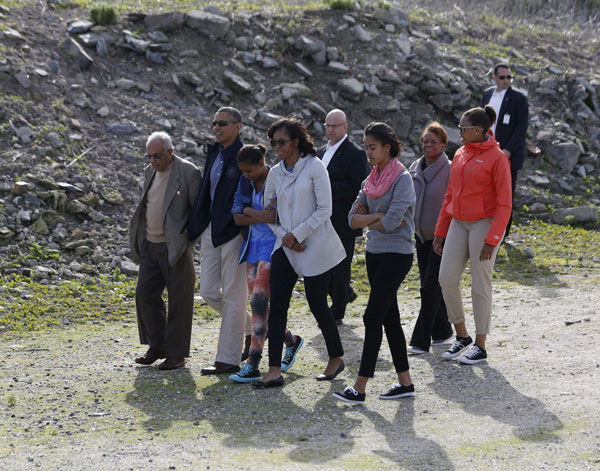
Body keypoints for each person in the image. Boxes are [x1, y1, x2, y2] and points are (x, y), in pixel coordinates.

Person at [254, 118, 346, 389]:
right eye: (273, 142)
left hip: (315, 245)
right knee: (277, 305)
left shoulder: (315, 167)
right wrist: (286, 237)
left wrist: (299, 234)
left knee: (317, 303)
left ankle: (336, 357)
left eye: (281, 141)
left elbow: (325, 209)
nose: (277, 147)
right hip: (284, 245)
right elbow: (270, 211)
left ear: (296, 141)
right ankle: (273, 369)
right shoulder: (275, 173)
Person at [333, 122, 416, 404]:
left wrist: (368, 217)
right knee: (390, 318)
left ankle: (359, 387)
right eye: (366, 147)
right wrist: (373, 219)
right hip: (374, 253)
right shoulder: (369, 181)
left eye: (372, 147)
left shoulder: (403, 179)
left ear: (387, 148)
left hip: (398, 255)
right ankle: (405, 383)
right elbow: (351, 219)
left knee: (372, 317)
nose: (368, 152)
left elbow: (394, 223)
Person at [433, 106, 512, 365]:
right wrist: (440, 231)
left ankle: (480, 344)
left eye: (463, 129)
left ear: (478, 131)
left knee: (480, 284)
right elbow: (450, 195)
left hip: (484, 224)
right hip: (458, 222)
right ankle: (462, 336)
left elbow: (505, 204)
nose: (459, 132)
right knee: (446, 278)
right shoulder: (459, 153)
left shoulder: (497, 158)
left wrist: (493, 238)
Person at [229, 144, 304, 383]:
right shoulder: (244, 182)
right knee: (260, 307)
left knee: (259, 304)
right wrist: (258, 213)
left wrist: (251, 211)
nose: (246, 175)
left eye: (250, 171)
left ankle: (253, 363)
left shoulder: (277, 179)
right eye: (243, 172)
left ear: (262, 164)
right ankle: (291, 340)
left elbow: (279, 216)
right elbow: (237, 216)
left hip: (273, 249)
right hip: (251, 249)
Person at [188, 107, 252, 375]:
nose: (216, 127)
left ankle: (228, 360)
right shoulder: (213, 151)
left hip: (235, 231)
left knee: (235, 295)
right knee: (209, 291)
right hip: (211, 229)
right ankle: (260, 326)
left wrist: (241, 224)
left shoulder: (245, 155)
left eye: (222, 123)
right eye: (214, 122)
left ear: (237, 127)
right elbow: (206, 192)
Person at [130, 132, 202, 370]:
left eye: (157, 156)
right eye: (149, 156)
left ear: (171, 152)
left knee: (180, 300)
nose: (153, 161)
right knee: (144, 294)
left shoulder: (189, 172)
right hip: (150, 244)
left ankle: (177, 353)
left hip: (176, 247)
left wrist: (186, 242)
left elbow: (198, 212)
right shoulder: (149, 171)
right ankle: (157, 345)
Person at [317, 109, 369, 325]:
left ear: (345, 126)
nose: (330, 129)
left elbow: (357, 185)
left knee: (341, 265)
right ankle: (343, 293)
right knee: (321, 263)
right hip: (321, 218)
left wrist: (324, 187)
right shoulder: (320, 151)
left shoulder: (355, 153)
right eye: (328, 125)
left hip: (342, 218)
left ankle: (337, 311)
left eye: (335, 125)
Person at [407, 122, 453, 355]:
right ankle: (443, 330)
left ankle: (420, 340)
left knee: (429, 286)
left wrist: (445, 234)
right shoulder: (415, 166)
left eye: (433, 142)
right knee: (431, 284)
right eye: (425, 141)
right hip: (420, 236)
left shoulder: (451, 169)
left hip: (442, 237)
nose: (428, 145)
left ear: (443, 145)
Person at [480, 63, 528, 237]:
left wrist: (508, 150)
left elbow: (521, 128)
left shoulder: (519, 99)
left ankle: (503, 232)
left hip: (508, 154)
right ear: (495, 78)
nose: (506, 80)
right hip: (487, 151)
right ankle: (485, 226)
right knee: (487, 190)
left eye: (509, 77)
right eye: (502, 77)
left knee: (505, 193)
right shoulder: (486, 94)